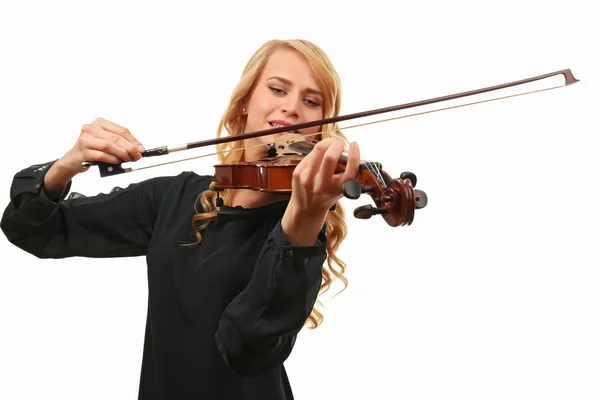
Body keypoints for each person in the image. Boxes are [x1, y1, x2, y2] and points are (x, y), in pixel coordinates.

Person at [1, 39, 360, 399]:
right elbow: (32, 229)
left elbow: (247, 350)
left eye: (311, 101)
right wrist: (67, 165)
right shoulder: (174, 198)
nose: (292, 107)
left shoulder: (299, 229)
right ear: (245, 101)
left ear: (321, 128)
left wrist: (303, 219)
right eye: (278, 89)